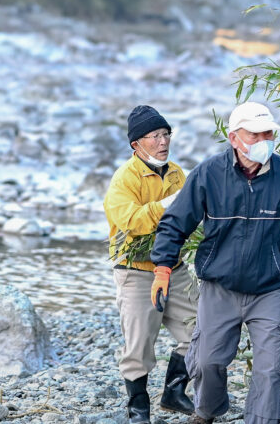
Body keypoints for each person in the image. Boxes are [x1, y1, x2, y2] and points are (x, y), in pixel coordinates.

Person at [152, 101, 280, 424]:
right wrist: (163, 268)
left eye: (268, 134)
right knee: (207, 361)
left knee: (271, 367)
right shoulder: (208, 174)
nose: (264, 141)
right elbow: (175, 223)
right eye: (255, 135)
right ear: (234, 138)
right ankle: (207, 410)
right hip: (219, 287)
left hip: (269, 288)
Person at [104, 105, 199, 422]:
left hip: (175, 268)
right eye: (155, 136)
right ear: (136, 144)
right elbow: (132, 222)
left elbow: (191, 218)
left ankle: (174, 393)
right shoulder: (124, 179)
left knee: (201, 329)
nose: (163, 141)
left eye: (166, 134)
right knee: (139, 345)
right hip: (137, 271)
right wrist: (168, 204)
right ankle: (138, 408)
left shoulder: (176, 173)